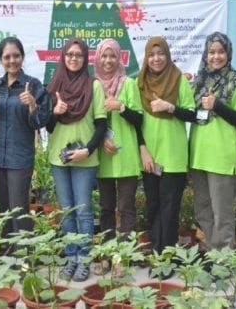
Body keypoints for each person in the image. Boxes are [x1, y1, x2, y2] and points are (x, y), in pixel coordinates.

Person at [46, 38, 107, 282]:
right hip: (59, 159)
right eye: (69, 54)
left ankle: (84, 258)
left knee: (83, 211)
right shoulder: (54, 87)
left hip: (84, 159)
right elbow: (48, 126)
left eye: (78, 55)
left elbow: (102, 125)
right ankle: (71, 256)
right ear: (63, 57)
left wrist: (88, 151)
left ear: (85, 59)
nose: (73, 58)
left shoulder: (94, 86)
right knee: (67, 212)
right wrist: (55, 112)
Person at [0, 37, 50, 235]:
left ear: (22, 57)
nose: (12, 61)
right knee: (5, 210)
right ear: (1, 60)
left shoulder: (33, 85)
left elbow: (40, 122)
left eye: (16, 56)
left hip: (20, 158)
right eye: (7, 57)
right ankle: (8, 256)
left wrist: (33, 106)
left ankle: (24, 259)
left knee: (19, 209)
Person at [189, 32, 236, 251]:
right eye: (211, 52)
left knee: (221, 213)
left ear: (229, 53)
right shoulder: (198, 81)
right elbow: (188, 110)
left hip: (221, 158)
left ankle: (222, 260)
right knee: (202, 210)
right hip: (198, 155)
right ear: (205, 55)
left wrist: (218, 106)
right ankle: (210, 252)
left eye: (221, 52)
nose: (216, 56)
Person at [137, 36, 195, 257]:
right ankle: (155, 254)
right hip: (149, 157)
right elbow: (135, 121)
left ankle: (168, 256)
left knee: (170, 210)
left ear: (168, 55)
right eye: (151, 54)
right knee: (153, 207)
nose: (156, 58)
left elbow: (192, 114)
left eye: (160, 53)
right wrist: (142, 150)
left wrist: (169, 106)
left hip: (174, 157)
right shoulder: (139, 83)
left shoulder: (179, 80)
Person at [93, 39, 143, 275]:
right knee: (105, 208)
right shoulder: (93, 85)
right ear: (98, 59)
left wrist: (120, 106)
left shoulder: (129, 83)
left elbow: (139, 119)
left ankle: (122, 257)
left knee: (126, 208)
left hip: (126, 157)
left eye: (113, 56)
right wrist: (102, 139)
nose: (108, 61)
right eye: (104, 56)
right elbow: (90, 120)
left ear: (120, 58)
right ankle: (105, 255)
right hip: (103, 155)